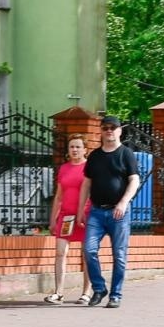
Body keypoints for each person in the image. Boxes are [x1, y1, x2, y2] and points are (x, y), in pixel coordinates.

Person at [78, 115, 142, 308]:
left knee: (119, 255)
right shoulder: (95, 156)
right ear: (101, 130)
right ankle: (99, 288)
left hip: (119, 213)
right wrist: (81, 209)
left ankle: (115, 294)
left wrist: (123, 202)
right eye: (105, 127)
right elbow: (87, 183)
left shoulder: (126, 154)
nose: (109, 130)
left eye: (113, 127)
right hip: (96, 212)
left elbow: (134, 180)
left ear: (120, 130)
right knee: (88, 250)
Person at [44, 135, 93, 304]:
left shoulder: (89, 168)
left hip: (85, 217)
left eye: (78, 147)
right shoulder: (64, 168)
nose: (74, 150)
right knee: (60, 253)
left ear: (85, 150)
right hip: (66, 217)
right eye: (72, 146)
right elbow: (58, 196)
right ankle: (58, 292)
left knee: (86, 255)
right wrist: (52, 219)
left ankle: (86, 292)